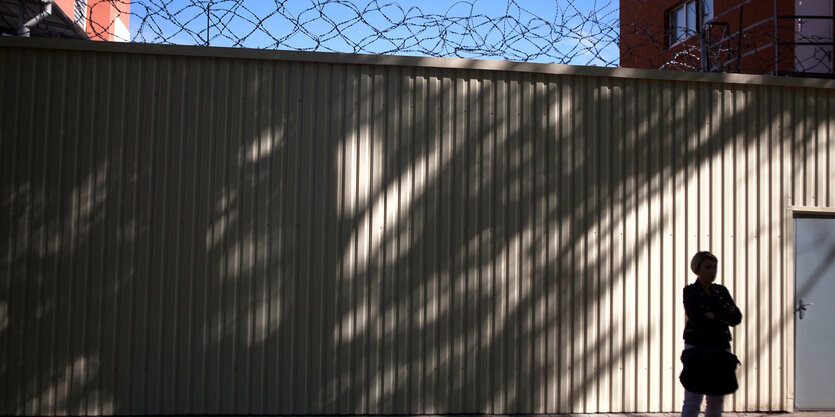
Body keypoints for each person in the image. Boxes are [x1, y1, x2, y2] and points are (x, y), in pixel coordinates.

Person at [681, 251, 742, 417]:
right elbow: (696, 319)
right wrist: (723, 314)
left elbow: (736, 317)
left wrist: (713, 315)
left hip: (720, 346)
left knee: (716, 398)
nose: (712, 271)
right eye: (708, 267)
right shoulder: (690, 291)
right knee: (693, 396)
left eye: (715, 267)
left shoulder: (721, 291)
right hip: (697, 347)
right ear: (697, 269)